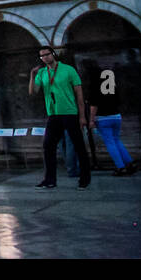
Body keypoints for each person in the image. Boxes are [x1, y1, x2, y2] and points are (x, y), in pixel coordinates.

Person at [29, 46, 90, 189]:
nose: (45, 58)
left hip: (69, 112)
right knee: (48, 145)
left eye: (47, 54)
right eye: (42, 56)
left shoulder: (68, 70)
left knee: (78, 146)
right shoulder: (42, 73)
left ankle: (84, 178)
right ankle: (50, 179)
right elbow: (33, 92)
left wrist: (82, 116)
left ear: (53, 54)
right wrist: (32, 76)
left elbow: (79, 94)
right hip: (53, 114)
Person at [85, 64, 136, 176]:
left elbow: (94, 105)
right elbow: (118, 101)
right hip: (116, 116)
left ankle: (120, 167)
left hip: (102, 118)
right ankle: (129, 162)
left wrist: (91, 120)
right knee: (117, 140)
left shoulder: (94, 86)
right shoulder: (112, 85)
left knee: (110, 143)